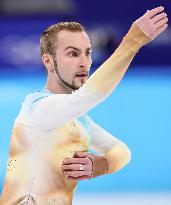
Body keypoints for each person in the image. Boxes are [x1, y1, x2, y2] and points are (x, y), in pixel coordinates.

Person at [0, 6, 168, 205]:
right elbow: (88, 96)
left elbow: (122, 151)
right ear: (48, 61)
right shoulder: (36, 109)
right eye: (72, 54)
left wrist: (101, 164)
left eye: (88, 53)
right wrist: (132, 41)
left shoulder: (77, 119)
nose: (84, 62)